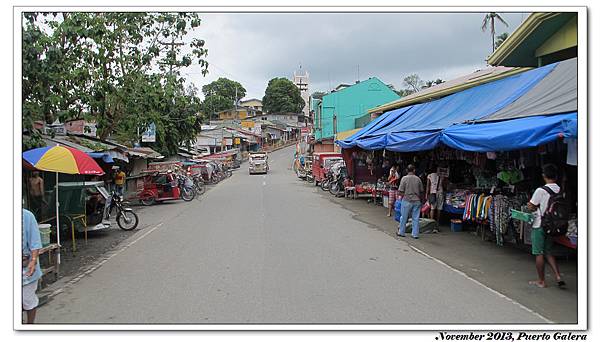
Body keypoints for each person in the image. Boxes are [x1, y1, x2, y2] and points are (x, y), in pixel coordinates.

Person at [527, 164, 565, 289]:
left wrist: (531, 206)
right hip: (553, 225)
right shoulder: (560, 189)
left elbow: (531, 206)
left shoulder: (541, 190)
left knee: (539, 253)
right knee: (549, 252)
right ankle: (558, 276)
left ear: (544, 176)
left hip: (540, 224)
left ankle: (541, 281)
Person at [22, 208, 43, 324]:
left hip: (26, 266)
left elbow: (35, 242)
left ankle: (30, 325)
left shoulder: (27, 216)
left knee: (27, 299)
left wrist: (33, 260)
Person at [397, 164, 424, 239]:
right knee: (416, 218)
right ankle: (415, 234)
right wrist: (421, 200)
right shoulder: (418, 179)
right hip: (417, 200)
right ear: (414, 170)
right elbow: (422, 191)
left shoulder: (404, 178)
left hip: (406, 200)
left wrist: (404, 196)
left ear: (406, 170)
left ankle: (401, 232)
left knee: (404, 217)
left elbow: (400, 191)